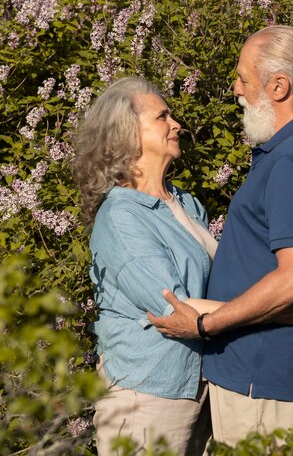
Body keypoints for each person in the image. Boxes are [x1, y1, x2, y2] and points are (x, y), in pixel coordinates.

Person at [148, 25, 293, 446]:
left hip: (262, 381)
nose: (235, 89)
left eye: (243, 78)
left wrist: (204, 324)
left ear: (279, 86)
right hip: (264, 376)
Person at [73, 76, 223, 456]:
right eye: (162, 117)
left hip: (198, 388)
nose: (176, 125)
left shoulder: (186, 204)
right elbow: (174, 306)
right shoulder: (122, 215)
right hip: (146, 392)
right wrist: (271, 311)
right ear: (128, 135)